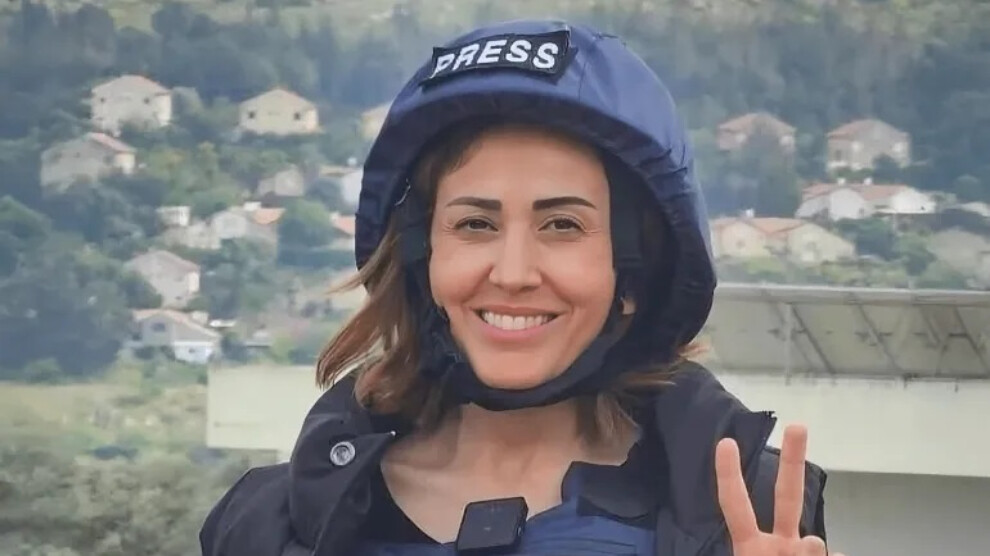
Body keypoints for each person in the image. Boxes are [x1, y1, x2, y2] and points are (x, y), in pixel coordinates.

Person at [199, 20, 840, 556]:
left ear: (635, 273)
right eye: (475, 224)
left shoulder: (741, 516)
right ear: (422, 258)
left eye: (562, 225)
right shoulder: (277, 527)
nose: (512, 273)